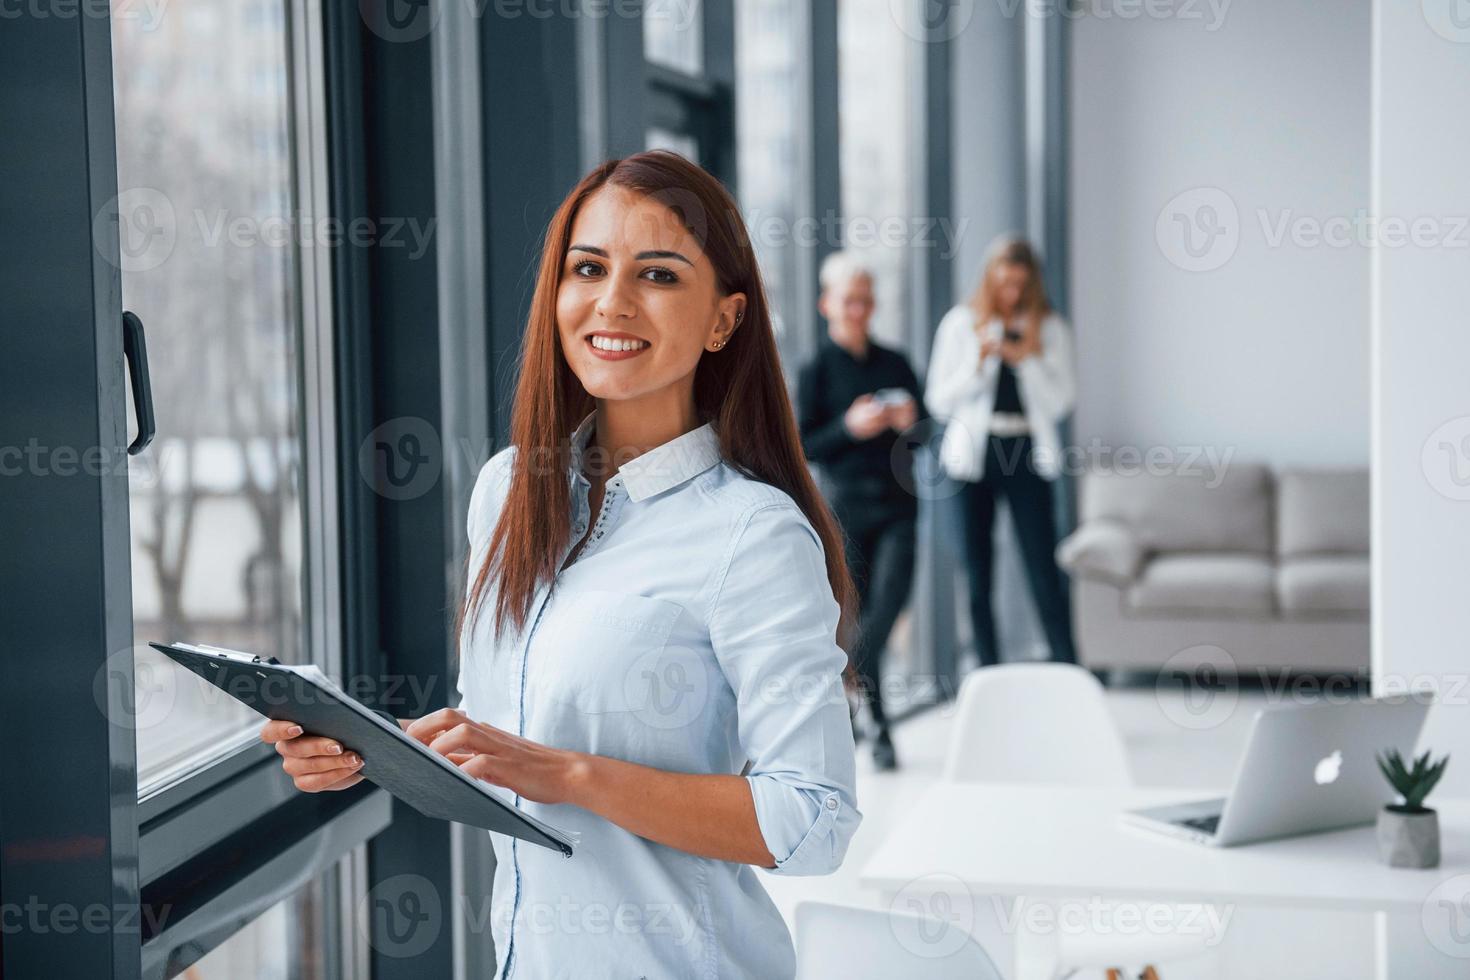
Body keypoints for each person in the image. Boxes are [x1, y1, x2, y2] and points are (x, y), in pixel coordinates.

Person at [260, 151, 861, 978]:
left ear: (724, 320)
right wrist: (369, 749)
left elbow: (815, 818)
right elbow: (506, 737)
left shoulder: (751, 535)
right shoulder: (507, 489)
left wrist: (572, 775)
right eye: (588, 267)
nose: (611, 302)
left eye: (657, 273)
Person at [796, 252, 924, 771]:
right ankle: (881, 725)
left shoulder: (894, 362)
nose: (859, 309)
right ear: (828, 305)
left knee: (882, 616)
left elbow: (926, 434)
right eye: (850, 300)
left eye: (866, 300)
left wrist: (912, 418)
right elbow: (805, 444)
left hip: (898, 508)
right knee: (849, 622)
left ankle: (857, 712)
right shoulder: (817, 369)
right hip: (844, 513)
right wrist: (850, 427)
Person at [925, 235, 1078, 667]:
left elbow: (1062, 399)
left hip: (1025, 449)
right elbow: (937, 399)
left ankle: (1069, 665)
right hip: (973, 457)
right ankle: (985, 670)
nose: (1011, 292)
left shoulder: (1049, 329)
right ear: (989, 279)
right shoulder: (960, 324)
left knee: (1042, 566)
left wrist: (1025, 358)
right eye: (1004, 282)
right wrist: (979, 364)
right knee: (976, 570)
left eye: (1020, 284)